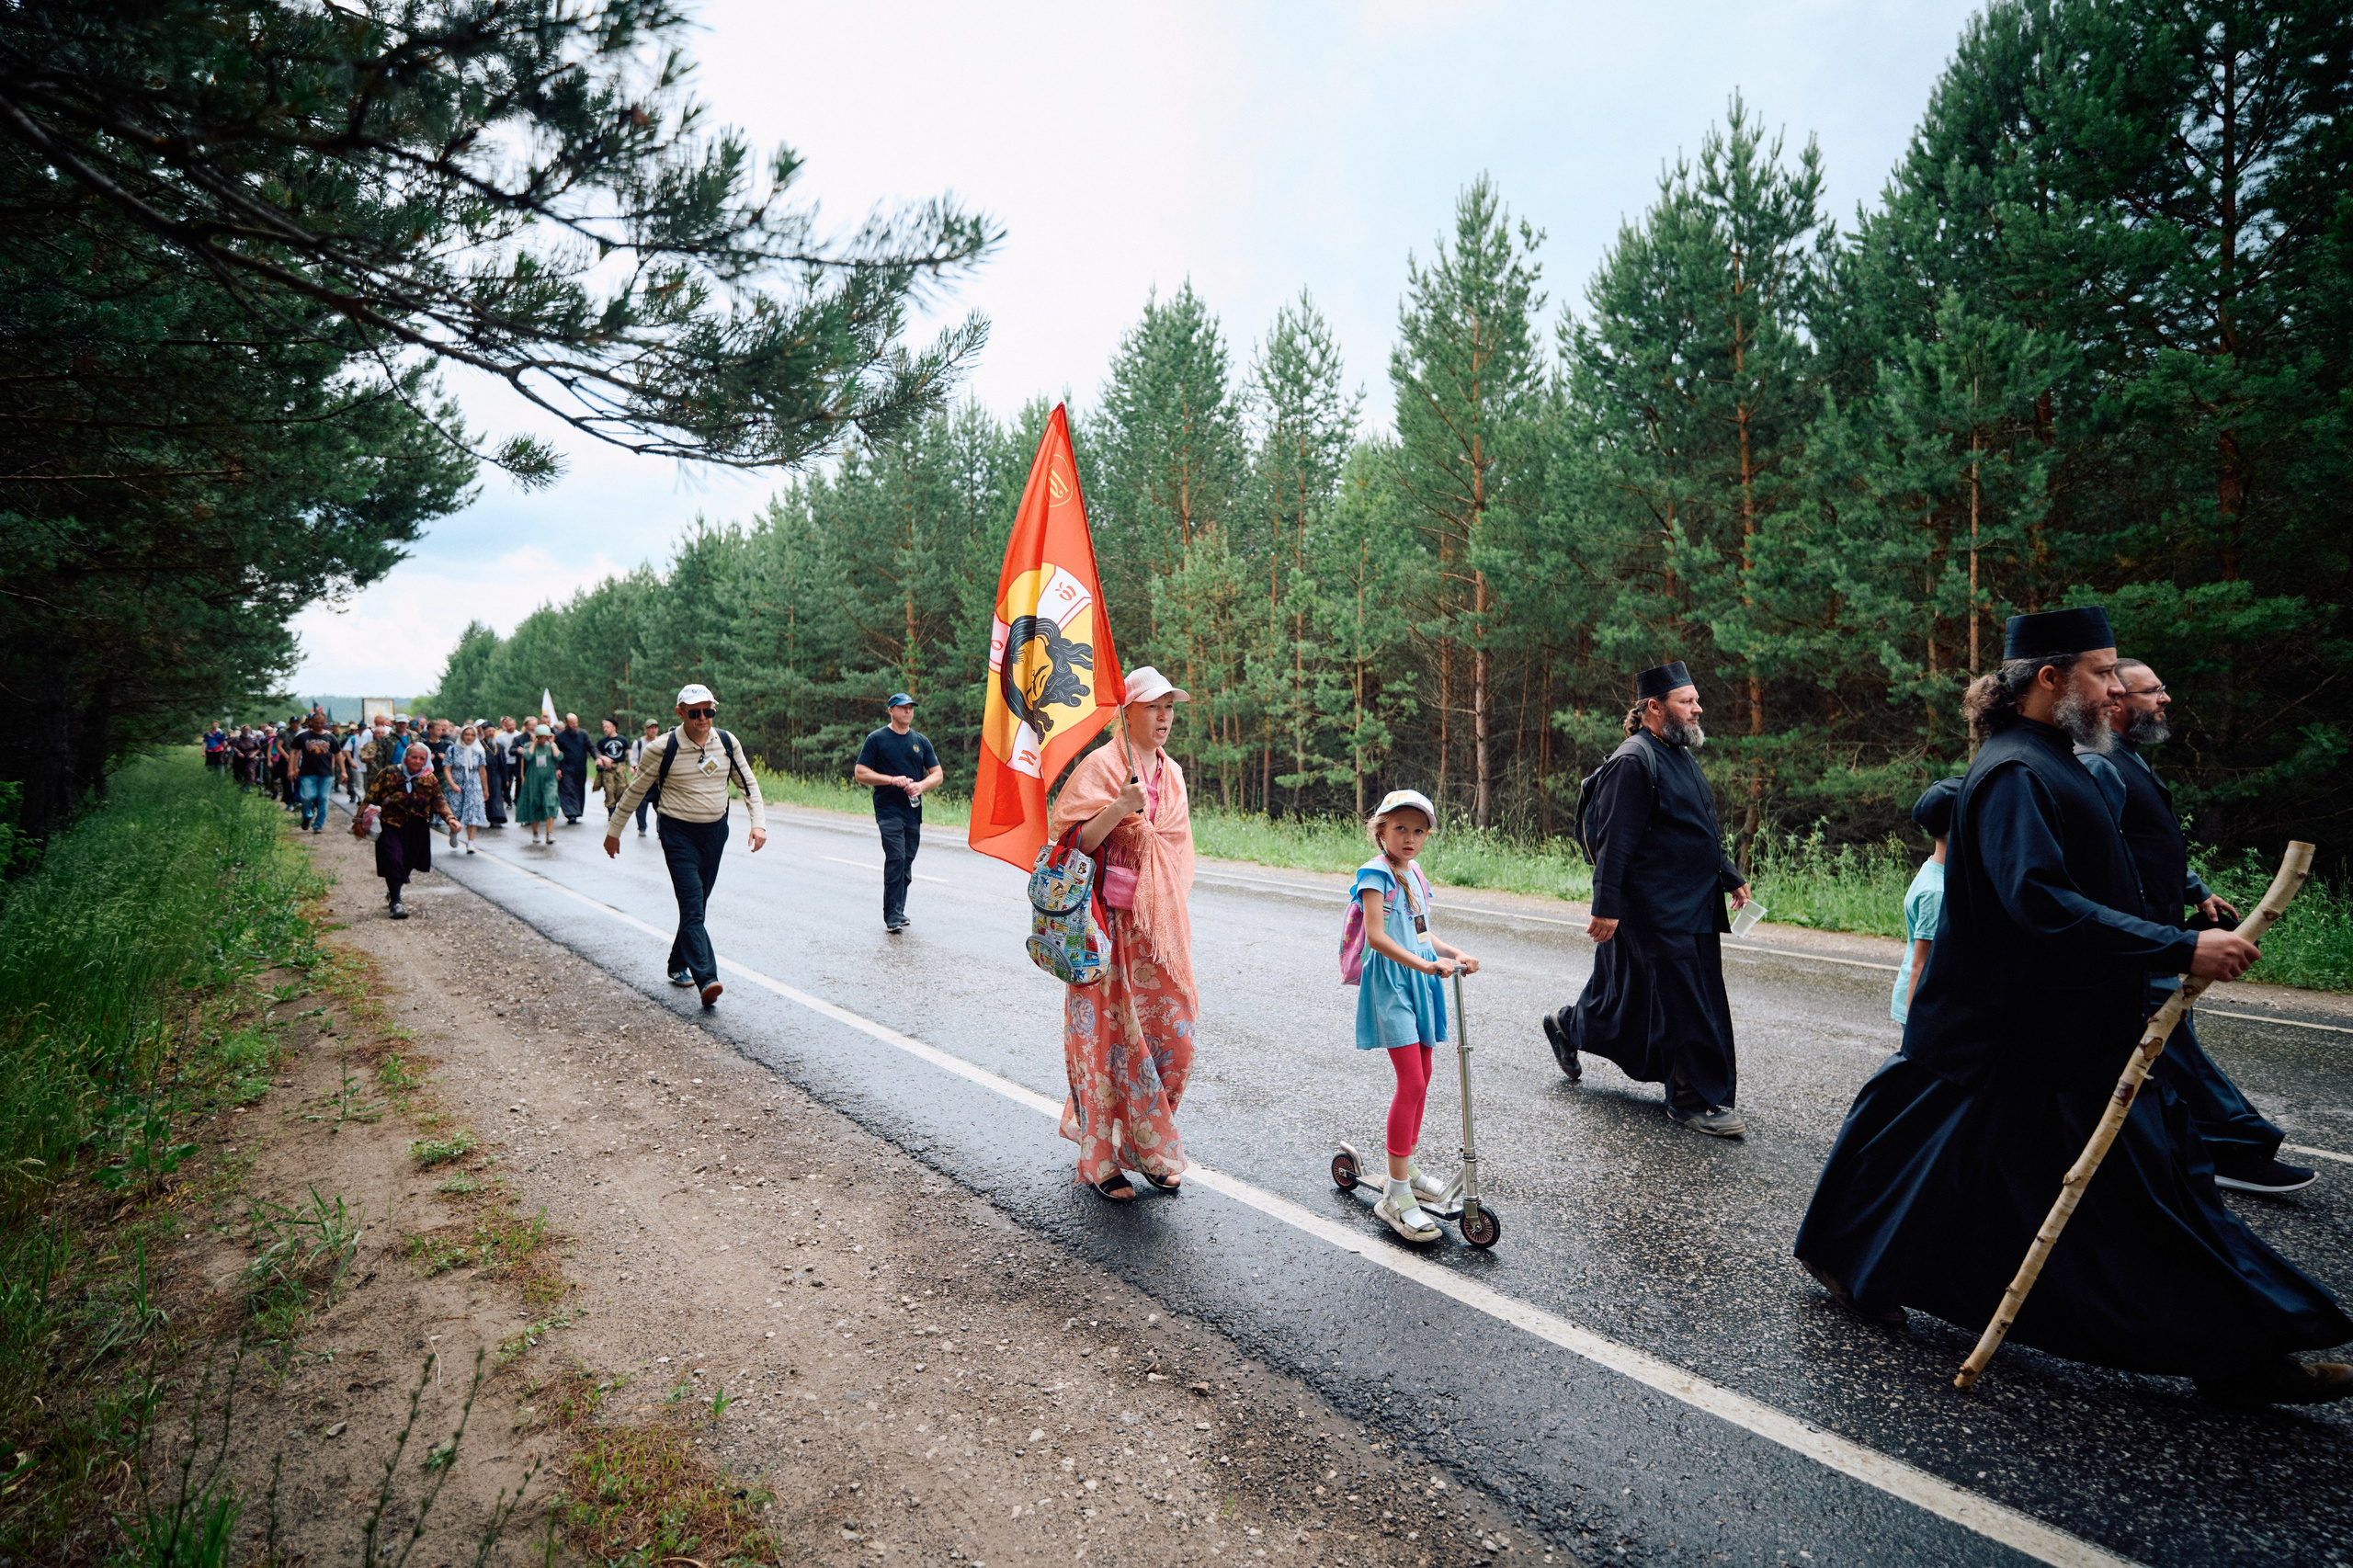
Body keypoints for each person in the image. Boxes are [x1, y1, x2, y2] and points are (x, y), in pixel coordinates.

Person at [1793, 607, 2351, 1406]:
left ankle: (2243, 1355)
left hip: (2059, 1034)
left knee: (2116, 1190)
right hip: (2021, 1036)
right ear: (2049, 678)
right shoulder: (2017, 772)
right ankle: (2244, 1356)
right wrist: (2176, 949)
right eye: (2103, 670)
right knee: (2122, 1196)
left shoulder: (2056, 761)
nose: (2118, 687)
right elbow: (2040, 901)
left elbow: (2095, 877)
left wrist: (2181, 910)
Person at [2078, 658, 2314, 1197]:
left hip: (2155, 930)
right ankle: (2233, 1146)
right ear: (2115, 702)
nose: (2165, 699)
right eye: (2153, 691)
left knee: (2159, 1042)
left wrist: (2194, 889)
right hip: (2134, 939)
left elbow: (2145, 840)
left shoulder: (2124, 756)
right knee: (2166, 1042)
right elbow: (2101, 853)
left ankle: (2194, 1145)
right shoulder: (2094, 762)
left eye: (2164, 687)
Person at [1543, 661, 1754, 1137]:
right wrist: (1606, 907)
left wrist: (1729, 874)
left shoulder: (1677, 753)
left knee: (1630, 1002)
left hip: (1693, 903)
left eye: (1697, 699)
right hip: (1655, 910)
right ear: (1655, 708)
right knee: (1685, 1002)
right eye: (1688, 701)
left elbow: (1697, 828)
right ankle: (1691, 1100)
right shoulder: (1634, 761)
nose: (1698, 708)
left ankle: (1567, 1025)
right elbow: (1615, 842)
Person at [1047, 668, 1198, 1202]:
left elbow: (1176, 848)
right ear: (1126, 710)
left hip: (1154, 931)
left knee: (1171, 1039)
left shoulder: (1172, 773)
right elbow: (1073, 843)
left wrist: (1167, 909)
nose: (1164, 718)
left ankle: (1149, 1149)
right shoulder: (1102, 765)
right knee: (1104, 1045)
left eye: (1170, 709)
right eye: (1154, 707)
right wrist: (1118, 808)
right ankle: (1102, 1159)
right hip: (1102, 930)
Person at [1350, 789, 1482, 1243]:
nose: (1409, 837)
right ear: (1380, 829)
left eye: (1418, 830)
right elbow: (1377, 937)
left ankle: (1405, 1165)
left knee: (1422, 1079)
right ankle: (1394, 1193)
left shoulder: (1416, 873)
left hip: (1420, 980)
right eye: (1400, 828)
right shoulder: (1375, 875)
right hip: (1392, 984)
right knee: (1411, 1081)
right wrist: (1425, 965)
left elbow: (1423, 934)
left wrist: (1453, 952)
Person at [604, 684, 767, 1009]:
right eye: (695, 712)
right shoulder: (662, 748)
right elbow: (635, 791)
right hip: (677, 833)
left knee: (698, 903)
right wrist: (614, 830)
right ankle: (707, 978)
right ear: (680, 713)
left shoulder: (726, 742)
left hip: (715, 832)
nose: (703, 718)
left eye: (709, 711)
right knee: (692, 903)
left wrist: (758, 822)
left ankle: (677, 963)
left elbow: (747, 782)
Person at [852, 694, 943, 933]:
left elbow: (938, 774)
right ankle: (891, 915)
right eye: (903, 708)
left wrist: (921, 785)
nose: (908, 712)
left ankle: (899, 911)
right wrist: (892, 780)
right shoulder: (877, 739)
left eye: (911, 708)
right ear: (891, 710)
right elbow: (860, 773)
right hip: (887, 810)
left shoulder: (920, 741)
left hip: (912, 811)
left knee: (906, 861)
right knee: (896, 857)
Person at [1891, 778, 1960, 1024]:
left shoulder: (1932, 868)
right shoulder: (1936, 891)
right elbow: (1921, 965)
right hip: (1920, 1004)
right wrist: (1912, 1030)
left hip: (1921, 998)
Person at [366, 741, 458, 919]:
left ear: (425, 761)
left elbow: (439, 800)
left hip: (417, 826)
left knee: (407, 862)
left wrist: (450, 818)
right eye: (413, 757)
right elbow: (371, 796)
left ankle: (394, 891)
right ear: (406, 758)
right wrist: (359, 819)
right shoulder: (389, 773)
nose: (417, 761)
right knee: (392, 859)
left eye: (421, 758)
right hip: (391, 824)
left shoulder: (429, 779)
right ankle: (397, 902)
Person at [442, 722, 490, 853]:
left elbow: (482, 770)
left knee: (473, 812)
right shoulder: (452, 750)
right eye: (467, 735)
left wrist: (485, 789)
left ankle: (470, 842)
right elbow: (447, 768)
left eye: (472, 735)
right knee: (455, 812)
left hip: (474, 784)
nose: (469, 738)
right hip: (457, 783)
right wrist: (452, 784)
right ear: (462, 735)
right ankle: (453, 833)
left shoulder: (478, 750)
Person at [516, 723, 563, 844]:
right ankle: (536, 833)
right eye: (540, 737)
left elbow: (559, 757)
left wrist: (552, 743)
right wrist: (533, 743)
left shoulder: (551, 746)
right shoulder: (529, 745)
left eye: (544, 737)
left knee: (550, 801)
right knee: (535, 803)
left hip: (549, 779)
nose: (542, 740)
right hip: (534, 779)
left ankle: (550, 833)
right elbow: (527, 756)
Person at [291, 713, 338, 833]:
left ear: (325, 723)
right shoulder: (303, 736)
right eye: (316, 722)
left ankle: (318, 824)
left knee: (323, 798)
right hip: (307, 772)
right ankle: (307, 815)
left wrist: (343, 771)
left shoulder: (331, 737)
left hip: (326, 773)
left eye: (321, 723)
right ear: (311, 722)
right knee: (307, 797)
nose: (318, 725)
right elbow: (294, 752)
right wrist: (291, 769)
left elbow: (338, 754)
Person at [553, 711, 591, 825]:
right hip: (566, 767)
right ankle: (571, 814)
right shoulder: (560, 736)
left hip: (580, 768)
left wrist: (598, 758)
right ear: (566, 723)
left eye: (576, 723)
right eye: (571, 723)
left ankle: (577, 811)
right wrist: (557, 768)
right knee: (568, 789)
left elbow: (591, 747)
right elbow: (556, 754)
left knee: (579, 790)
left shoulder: (583, 734)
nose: (574, 725)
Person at [627, 720, 662, 835]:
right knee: (641, 804)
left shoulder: (661, 742)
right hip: (643, 778)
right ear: (645, 729)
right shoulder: (639, 743)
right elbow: (634, 758)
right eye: (651, 727)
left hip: (657, 780)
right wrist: (634, 766)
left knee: (660, 806)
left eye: (655, 727)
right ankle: (642, 827)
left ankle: (660, 829)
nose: (653, 730)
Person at [594, 718, 632, 818]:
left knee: (622, 787)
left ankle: (617, 804)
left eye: (607, 727)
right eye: (604, 727)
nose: (605, 729)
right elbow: (596, 753)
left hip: (620, 767)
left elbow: (629, 751)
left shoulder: (622, 739)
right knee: (609, 789)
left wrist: (632, 764)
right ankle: (611, 811)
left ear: (614, 727)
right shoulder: (602, 741)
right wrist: (602, 758)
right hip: (608, 769)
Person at [482, 717, 514, 827]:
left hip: (496, 774)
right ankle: (486, 817)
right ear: (484, 732)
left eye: (492, 731)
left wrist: (506, 778)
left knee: (496, 796)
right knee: (486, 796)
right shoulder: (480, 745)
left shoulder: (499, 746)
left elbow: (503, 763)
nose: (491, 733)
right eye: (488, 731)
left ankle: (496, 818)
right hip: (484, 773)